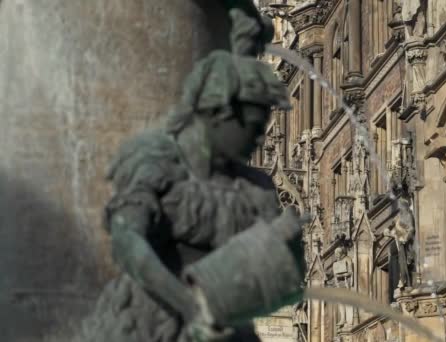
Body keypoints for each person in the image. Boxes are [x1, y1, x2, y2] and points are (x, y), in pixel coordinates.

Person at [79, 5, 306, 342]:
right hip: (151, 322)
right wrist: (190, 307)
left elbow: (284, 274)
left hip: (227, 328)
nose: (260, 137)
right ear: (219, 112)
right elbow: (128, 242)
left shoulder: (256, 188)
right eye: (253, 127)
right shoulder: (157, 161)